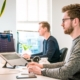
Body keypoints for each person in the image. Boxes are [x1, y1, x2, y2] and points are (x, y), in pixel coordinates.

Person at [27, 4, 80, 80]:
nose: (61, 24)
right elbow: (65, 63)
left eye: (64, 20)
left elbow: (65, 72)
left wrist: (41, 71)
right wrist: (42, 66)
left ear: (75, 21)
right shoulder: (75, 41)